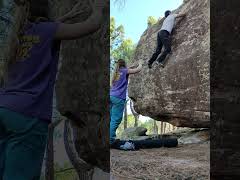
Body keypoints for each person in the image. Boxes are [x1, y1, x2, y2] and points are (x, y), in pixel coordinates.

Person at [0, 0, 105, 179]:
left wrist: (64, 18)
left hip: (4, 109)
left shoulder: (19, 35)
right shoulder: (49, 30)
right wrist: (98, 9)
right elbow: (90, 26)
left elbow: (47, 30)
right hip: (28, 115)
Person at [110, 59, 142, 149]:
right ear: (124, 65)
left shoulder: (116, 72)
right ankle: (110, 140)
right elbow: (138, 70)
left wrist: (131, 65)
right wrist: (140, 63)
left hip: (110, 96)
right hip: (118, 98)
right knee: (115, 120)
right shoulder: (124, 71)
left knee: (110, 118)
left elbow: (128, 69)